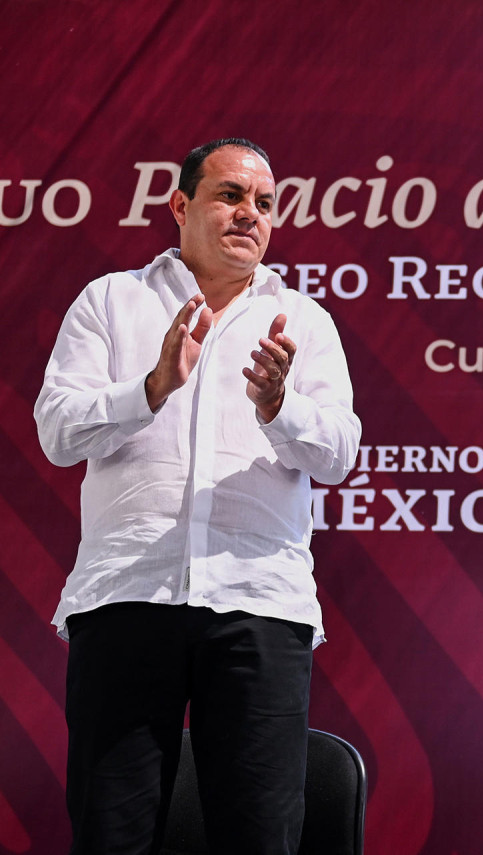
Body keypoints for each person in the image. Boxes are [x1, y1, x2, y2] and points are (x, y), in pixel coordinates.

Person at [35, 138, 361, 854]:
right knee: (111, 835)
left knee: (260, 838)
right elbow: (57, 431)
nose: (251, 214)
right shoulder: (111, 302)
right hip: (128, 595)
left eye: (265, 204)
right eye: (231, 195)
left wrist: (280, 403)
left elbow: (337, 454)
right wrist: (149, 388)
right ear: (182, 205)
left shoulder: (302, 323)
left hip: (258, 604)